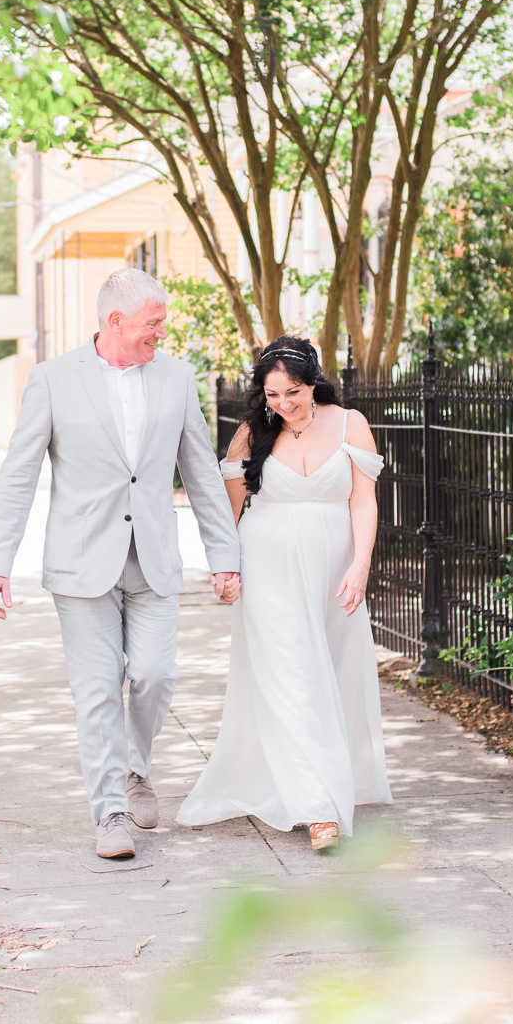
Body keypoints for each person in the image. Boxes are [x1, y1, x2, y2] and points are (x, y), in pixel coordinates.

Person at [0, 267, 241, 861]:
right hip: (81, 562)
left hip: (154, 561)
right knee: (96, 691)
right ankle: (111, 813)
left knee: (154, 674)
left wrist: (224, 556)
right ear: (115, 321)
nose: (162, 332)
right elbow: (18, 474)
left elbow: (199, 471)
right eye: (154, 322)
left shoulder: (175, 378)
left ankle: (134, 768)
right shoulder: (52, 381)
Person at [177, 335, 392, 851]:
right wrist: (224, 569)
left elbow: (364, 502)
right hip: (269, 569)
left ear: (313, 382)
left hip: (332, 570)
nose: (284, 404)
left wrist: (360, 567)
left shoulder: (350, 424)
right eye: (273, 395)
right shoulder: (253, 434)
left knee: (330, 674)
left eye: (293, 392)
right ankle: (320, 809)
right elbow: (228, 511)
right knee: (294, 677)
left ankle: (311, 780)